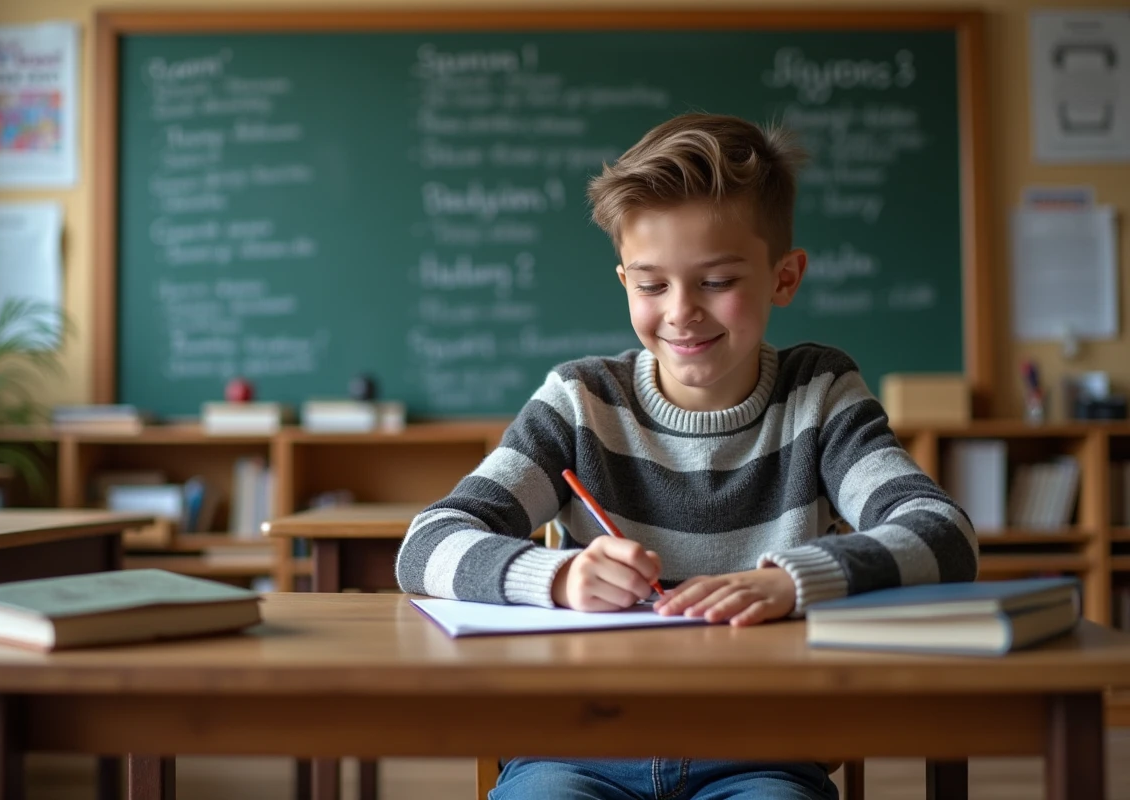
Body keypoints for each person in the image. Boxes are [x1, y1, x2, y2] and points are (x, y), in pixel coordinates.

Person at [396, 112, 978, 800]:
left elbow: (943, 534)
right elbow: (425, 543)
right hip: (576, 746)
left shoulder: (818, 395)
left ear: (784, 277)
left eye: (716, 281)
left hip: (764, 753)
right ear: (624, 282)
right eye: (651, 285)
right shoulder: (581, 400)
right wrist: (559, 578)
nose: (680, 312)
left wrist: (794, 581)